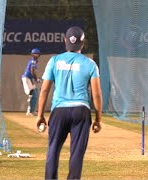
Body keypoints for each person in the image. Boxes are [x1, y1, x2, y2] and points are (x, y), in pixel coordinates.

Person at [36, 26, 103, 179]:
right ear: (83, 43)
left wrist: (40, 115)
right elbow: (97, 94)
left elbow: (44, 90)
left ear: (65, 40)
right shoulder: (90, 64)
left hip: (59, 111)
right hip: (81, 111)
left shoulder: (54, 60)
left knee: (53, 150)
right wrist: (98, 119)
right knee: (77, 153)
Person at [21, 48, 42, 116]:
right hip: (26, 78)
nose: (36, 55)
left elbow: (32, 72)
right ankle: (29, 111)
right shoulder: (33, 61)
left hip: (29, 79)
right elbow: (32, 70)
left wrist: (35, 79)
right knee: (32, 93)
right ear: (32, 54)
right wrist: (36, 79)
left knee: (35, 92)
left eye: (37, 53)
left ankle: (32, 110)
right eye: (34, 53)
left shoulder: (34, 61)